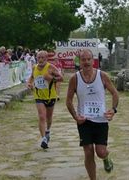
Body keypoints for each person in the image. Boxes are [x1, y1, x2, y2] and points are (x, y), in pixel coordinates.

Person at [66, 49, 119, 179]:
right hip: (84, 120)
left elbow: (115, 93)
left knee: (100, 152)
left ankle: (106, 157)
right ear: (80, 61)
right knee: (88, 152)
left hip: (101, 120)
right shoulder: (75, 78)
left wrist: (113, 110)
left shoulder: (102, 76)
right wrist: (76, 117)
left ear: (93, 60)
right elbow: (68, 101)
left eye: (89, 59)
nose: (86, 62)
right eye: (83, 60)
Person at [26, 50, 63, 149]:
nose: (41, 59)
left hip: (50, 96)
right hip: (39, 96)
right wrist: (29, 83)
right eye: (39, 58)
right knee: (42, 116)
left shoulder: (51, 67)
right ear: (37, 58)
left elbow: (61, 78)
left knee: (49, 118)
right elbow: (31, 78)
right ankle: (43, 139)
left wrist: (51, 78)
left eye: (43, 58)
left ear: (46, 58)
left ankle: (48, 131)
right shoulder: (34, 67)